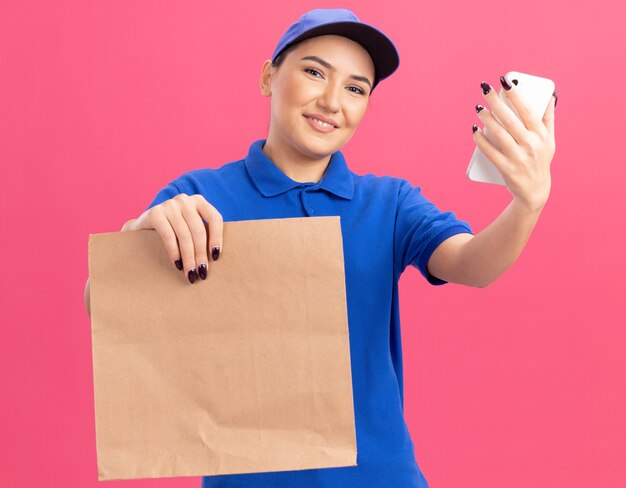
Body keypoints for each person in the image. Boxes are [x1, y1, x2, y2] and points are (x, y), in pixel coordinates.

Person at [84, 8, 557, 488]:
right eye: (314, 72)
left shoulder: (389, 204)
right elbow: (104, 307)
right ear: (269, 77)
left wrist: (527, 204)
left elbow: (472, 264)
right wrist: (140, 232)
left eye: (355, 88)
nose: (332, 101)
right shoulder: (199, 198)